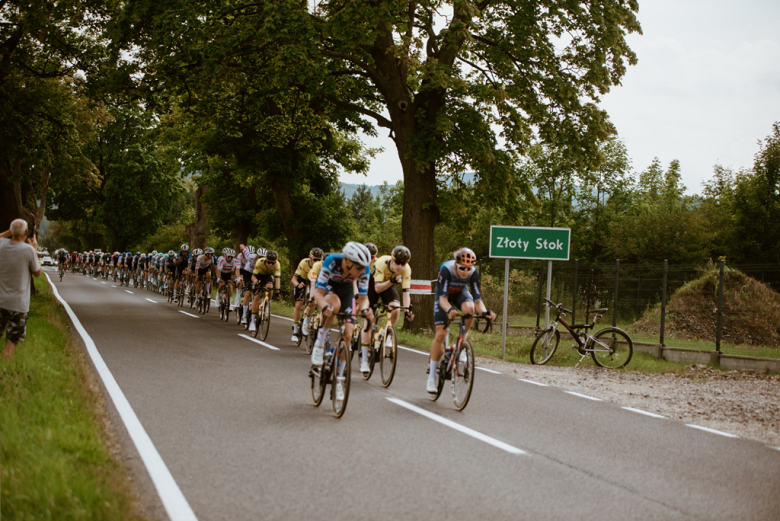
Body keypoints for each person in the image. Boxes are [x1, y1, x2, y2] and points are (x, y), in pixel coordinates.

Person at [310, 242, 374, 400]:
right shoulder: (331, 261)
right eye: (358, 267)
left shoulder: (364, 268)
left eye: (363, 268)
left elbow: (364, 298)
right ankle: (320, 341)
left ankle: (339, 379)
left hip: (346, 292)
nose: (361, 271)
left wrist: (365, 309)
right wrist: (324, 306)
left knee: (348, 334)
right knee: (334, 305)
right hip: (328, 288)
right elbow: (318, 294)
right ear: (347, 261)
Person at [427, 247, 495, 394]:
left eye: (468, 268)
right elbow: (443, 299)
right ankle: (432, 377)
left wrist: (484, 312)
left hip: (460, 293)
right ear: (456, 265)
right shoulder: (447, 269)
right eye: (462, 268)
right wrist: (449, 309)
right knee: (441, 334)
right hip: (443, 296)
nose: (465, 272)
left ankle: (461, 342)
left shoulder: (473, 273)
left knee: (469, 309)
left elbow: (477, 300)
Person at [359, 245, 415, 375]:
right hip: (373, 285)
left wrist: (407, 310)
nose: (400, 266)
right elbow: (377, 289)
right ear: (392, 259)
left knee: (395, 308)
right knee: (369, 320)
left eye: (403, 263)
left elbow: (406, 292)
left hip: (389, 285)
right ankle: (365, 360)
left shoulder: (406, 269)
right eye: (397, 262)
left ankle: (386, 333)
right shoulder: (381, 263)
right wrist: (391, 280)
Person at [0, 219, 42, 362]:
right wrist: (35, 249)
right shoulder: (28, 250)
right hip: (18, 304)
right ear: (26, 232)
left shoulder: (1, 245)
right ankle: (4, 369)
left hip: (0, 300)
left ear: (10, 232)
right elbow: (37, 273)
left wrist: (10, 231)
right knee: (12, 340)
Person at [290, 247, 323, 342]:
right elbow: (293, 279)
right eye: (315, 259)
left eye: (319, 260)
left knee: (313, 301)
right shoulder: (303, 263)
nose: (317, 261)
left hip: (312, 280)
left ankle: (307, 319)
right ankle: (295, 329)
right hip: (302, 280)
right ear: (310, 258)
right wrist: (297, 285)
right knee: (298, 304)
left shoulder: (321, 265)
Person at [248, 250, 281, 332]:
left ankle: (268, 303)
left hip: (268, 276)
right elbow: (253, 276)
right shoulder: (259, 262)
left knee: (270, 286)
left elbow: (277, 279)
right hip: (258, 276)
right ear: (265, 260)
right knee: (256, 297)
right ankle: (252, 321)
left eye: (272, 263)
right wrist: (255, 281)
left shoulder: (277, 264)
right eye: (269, 262)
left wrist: (278, 291)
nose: (270, 264)